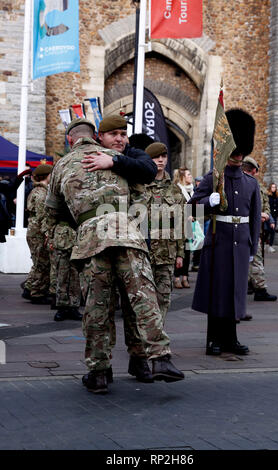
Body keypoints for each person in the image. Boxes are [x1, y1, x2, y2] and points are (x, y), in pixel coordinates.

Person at [45, 117, 184, 394]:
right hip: (125, 232)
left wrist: (80, 228)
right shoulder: (116, 158)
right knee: (143, 298)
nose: (120, 139)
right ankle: (159, 358)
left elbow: (53, 212)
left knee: (98, 307)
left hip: (90, 239)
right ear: (96, 136)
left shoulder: (61, 165)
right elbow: (141, 193)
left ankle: (98, 373)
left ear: (70, 140)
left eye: (123, 134)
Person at [188, 108, 261, 356]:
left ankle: (231, 338)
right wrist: (208, 201)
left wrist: (252, 249)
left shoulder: (251, 183)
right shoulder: (213, 178)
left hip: (240, 244)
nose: (238, 156)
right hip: (218, 242)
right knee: (217, 292)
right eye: (235, 151)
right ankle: (213, 340)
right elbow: (191, 210)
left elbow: (253, 220)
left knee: (235, 293)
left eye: (241, 152)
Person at [143, 141, 184, 323]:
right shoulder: (139, 186)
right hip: (143, 252)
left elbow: (183, 224)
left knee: (163, 298)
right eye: (155, 157)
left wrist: (181, 253)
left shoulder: (175, 190)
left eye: (163, 156)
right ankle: (142, 340)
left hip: (167, 253)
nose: (160, 160)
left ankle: (157, 339)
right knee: (143, 299)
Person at [242, 157, 277, 303]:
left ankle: (252, 284)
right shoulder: (240, 184)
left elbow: (266, 206)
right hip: (244, 227)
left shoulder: (259, 187)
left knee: (254, 258)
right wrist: (258, 214)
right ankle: (260, 289)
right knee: (254, 259)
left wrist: (266, 215)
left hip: (255, 228)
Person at [23, 164, 53, 304]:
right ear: (47, 176)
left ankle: (30, 287)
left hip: (34, 231)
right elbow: (42, 216)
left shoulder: (36, 191)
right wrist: (47, 233)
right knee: (42, 262)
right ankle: (36, 293)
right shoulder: (41, 193)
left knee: (38, 261)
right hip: (39, 232)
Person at [172, 167, 194, 288]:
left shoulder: (192, 190)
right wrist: (186, 216)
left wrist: (195, 216)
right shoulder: (177, 190)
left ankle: (185, 277)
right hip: (179, 225)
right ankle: (176, 278)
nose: (191, 176)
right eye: (188, 174)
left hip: (191, 226)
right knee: (178, 252)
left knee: (188, 251)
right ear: (182, 177)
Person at [264, 183, 278, 253]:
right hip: (268, 216)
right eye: (272, 187)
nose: (273, 188)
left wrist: (277, 212)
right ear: (270, 188)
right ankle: (264, 243)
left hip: (275, 216)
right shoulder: (268, 196)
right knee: (267, 231)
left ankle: (270, 246)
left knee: (273, 231)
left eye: (274, 187)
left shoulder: (277, 197)